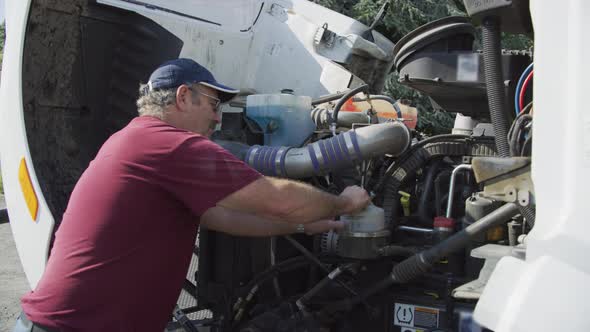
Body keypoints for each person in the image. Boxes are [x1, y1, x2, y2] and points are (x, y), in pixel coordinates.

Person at [14, 58, 370, 332]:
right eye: (214, 105)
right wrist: (343, 202)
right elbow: (277, 198)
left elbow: (225, 217)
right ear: (184, 96)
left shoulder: (136, 140)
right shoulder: (168, 146)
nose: (217, 119)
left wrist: (300, 227)